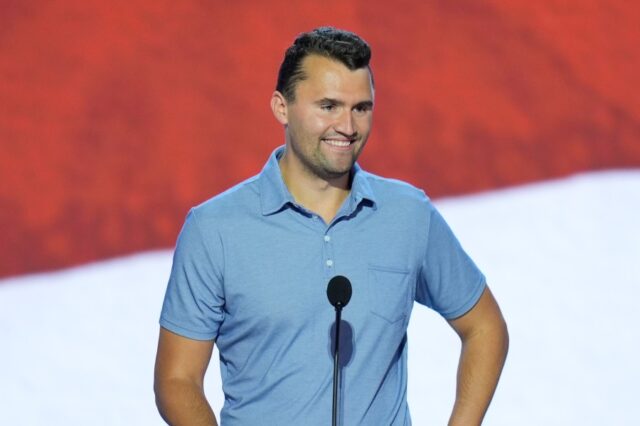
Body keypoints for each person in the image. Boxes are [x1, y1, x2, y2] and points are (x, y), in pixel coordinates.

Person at [154, 27, 508, 426]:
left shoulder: (408, 214)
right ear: (281, 107)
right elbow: (177, 380)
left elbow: (484, 326)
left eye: (361, 108)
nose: (348, 126)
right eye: (329, 106)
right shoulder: (214, 229)